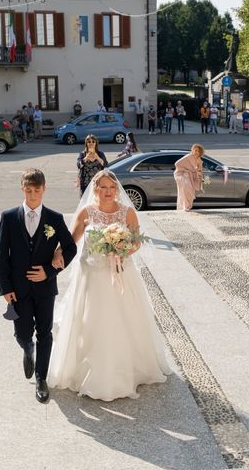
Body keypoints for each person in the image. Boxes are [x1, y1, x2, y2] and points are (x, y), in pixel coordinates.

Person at [48, 170, 171, 401]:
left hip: (120, 274)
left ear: (117, 190)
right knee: (90, 321)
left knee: (123, 320)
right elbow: (71, 241)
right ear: (95, 189)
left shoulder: (128, 212)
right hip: (91, 277)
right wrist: (57, 254)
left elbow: (135, 243)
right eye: (102, 188)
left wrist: (121, 250)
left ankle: (126, 369)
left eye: (111, 188)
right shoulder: (87, 212)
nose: (107, 192)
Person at [0, 168, 77, 403]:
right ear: (23, 189)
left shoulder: (54, 218)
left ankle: (41, 379)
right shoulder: (9, 217)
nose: (33, 195)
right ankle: (27, 349)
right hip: (18, 289)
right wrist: (5, 288)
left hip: (45, 289)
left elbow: (70, 248)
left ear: (44, 189)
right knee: (21, 333)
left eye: (37, 190)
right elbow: (2, 255)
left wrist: (50, 271)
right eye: (29, 190)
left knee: (45, 333)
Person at [174, 143, 204, 211]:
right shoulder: (188, 156)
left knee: (190, 192)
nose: (196, 152)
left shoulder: (199, 160)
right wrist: (187, 170)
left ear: (200, 153)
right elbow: (177, 164)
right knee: (187, 189)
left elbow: (200, 170)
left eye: (198, 151)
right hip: (182, 175)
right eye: (195, 150)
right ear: (192, 150)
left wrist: (199, 177)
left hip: (191, 177)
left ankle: (188, 206)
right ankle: (186, 206)